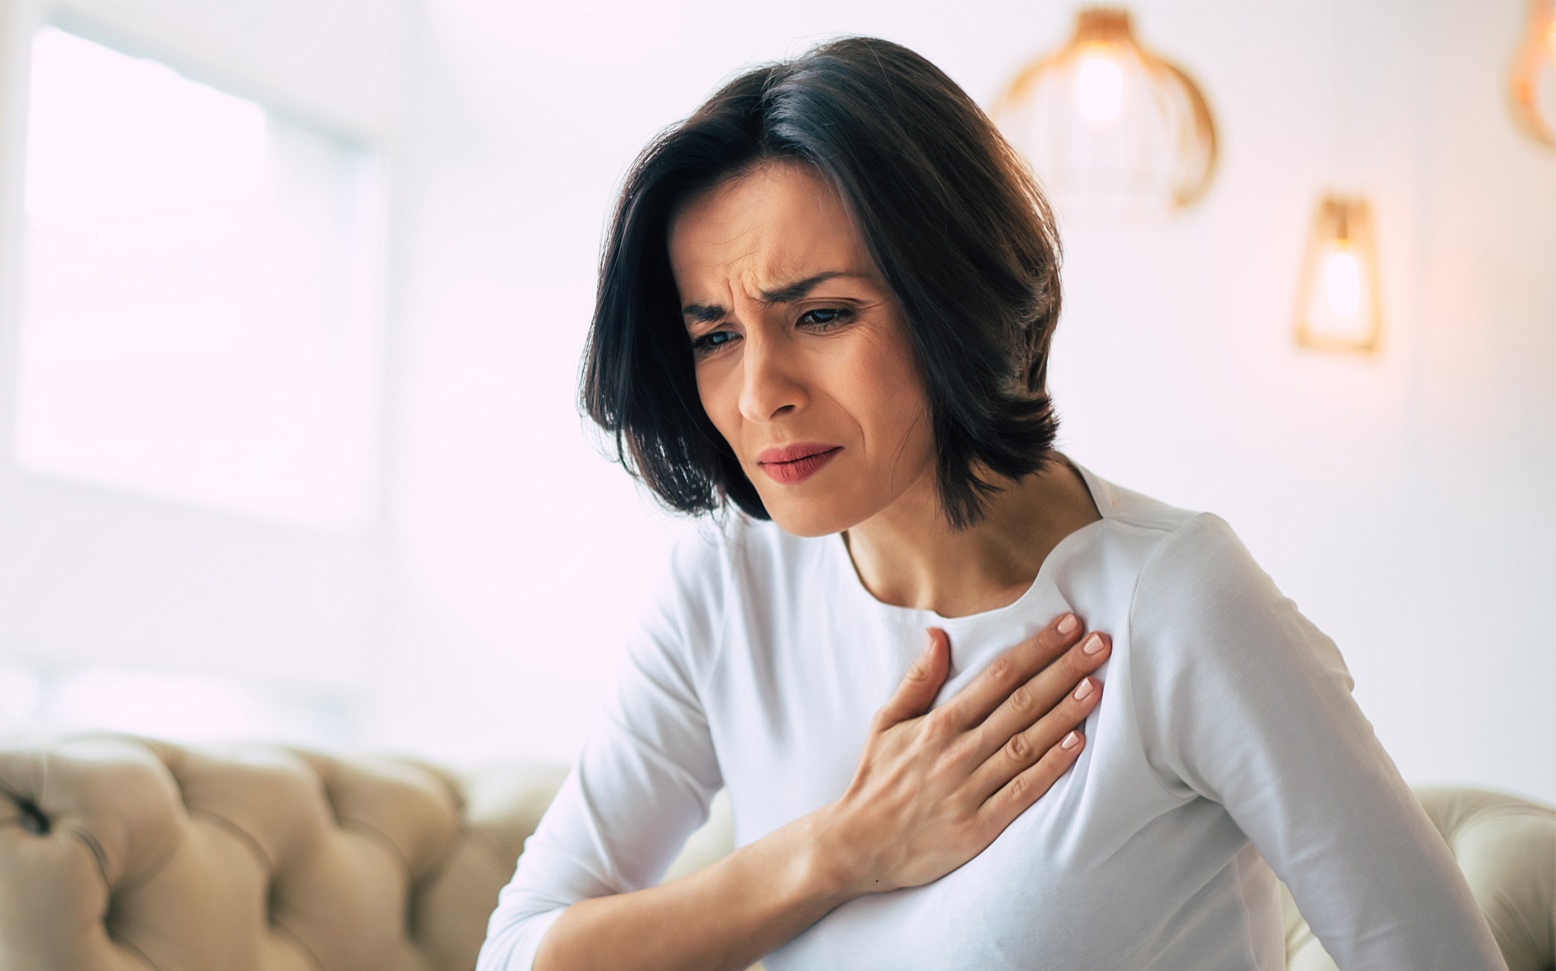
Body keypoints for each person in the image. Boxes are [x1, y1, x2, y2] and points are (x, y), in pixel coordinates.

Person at [476, 36, 1506, 971]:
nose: (759, 394)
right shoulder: (726, 587)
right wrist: (843, 847)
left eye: (822, 313)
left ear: (951, 300)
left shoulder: (1176, 602)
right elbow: (522, 953)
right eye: (715, 334)